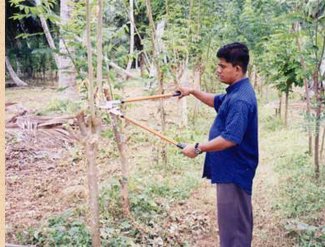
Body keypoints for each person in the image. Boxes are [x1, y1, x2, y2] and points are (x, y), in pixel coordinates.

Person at [178, 42, 258, 247]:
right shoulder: (236, 91)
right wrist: (193, 91)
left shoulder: (241, 99)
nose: (218, 69)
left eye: (223, 66)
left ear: (237, 69)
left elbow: (230, 138)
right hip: (230, 170)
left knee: (234, 232)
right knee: (232, 227)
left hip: (234, 172)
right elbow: (216, 100)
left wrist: (197, 148)